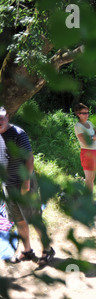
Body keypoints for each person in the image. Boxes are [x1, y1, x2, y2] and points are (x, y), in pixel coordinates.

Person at [0, 106, 55, 265]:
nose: (0, 121)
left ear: (7, 117)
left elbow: (29, 159)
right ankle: (27, 251)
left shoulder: (18, 133)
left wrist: (26, 183)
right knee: (19, 221)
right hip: (8, 186)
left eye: (2, 118)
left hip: (24, 185)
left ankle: (47, 250)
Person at [73, 103, 96, 209]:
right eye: (84, 113)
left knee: (92, 178)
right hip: (87, 152)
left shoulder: (90, 123)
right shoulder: (78, 126)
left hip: (94, 152)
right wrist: (95, 137)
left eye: (87, 113)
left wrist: (92, 137)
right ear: (78, 114)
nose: (86, 115)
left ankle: (89, 200)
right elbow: (85, 141)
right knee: (89, 178)